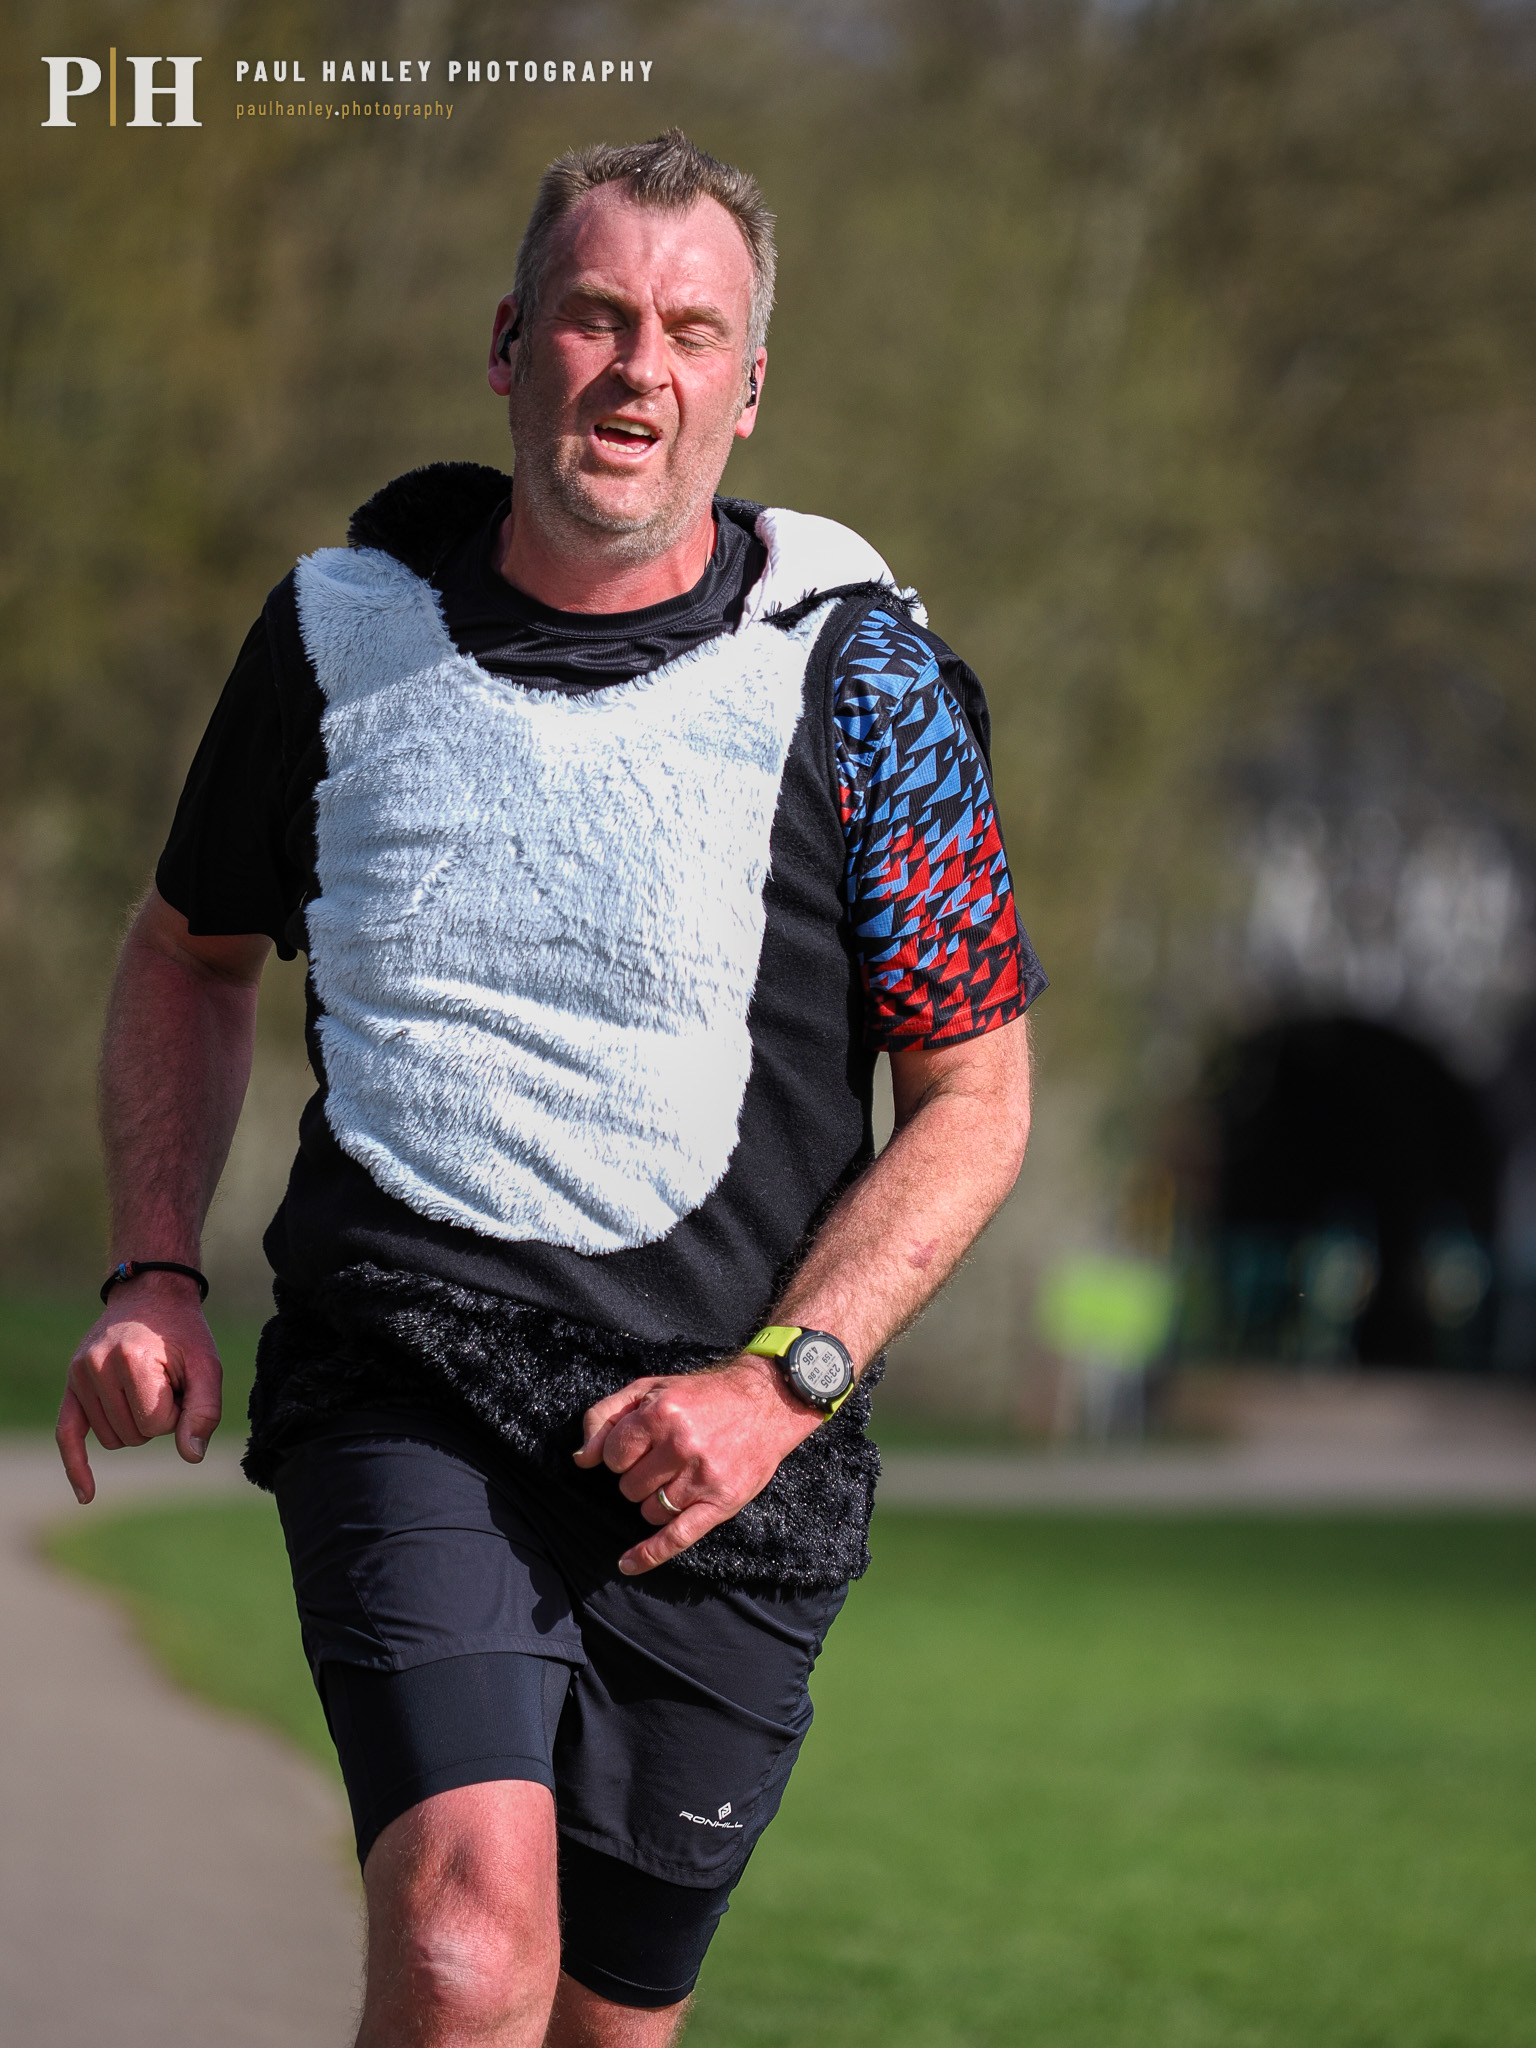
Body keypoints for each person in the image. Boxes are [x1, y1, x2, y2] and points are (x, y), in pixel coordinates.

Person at [59, 130, 1044, 2048]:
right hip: (403, 1371)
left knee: (602, 2023)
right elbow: (187, 950)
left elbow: (976, 1100)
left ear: (749, 389)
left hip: (724, 1461)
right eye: (596, 315)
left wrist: (780, 1390)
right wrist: (153, 1267)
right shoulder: (343, 633)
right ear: (510, 342)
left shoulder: (869, 690)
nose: (636, 367)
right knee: (459, 1949)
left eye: (690, 330)